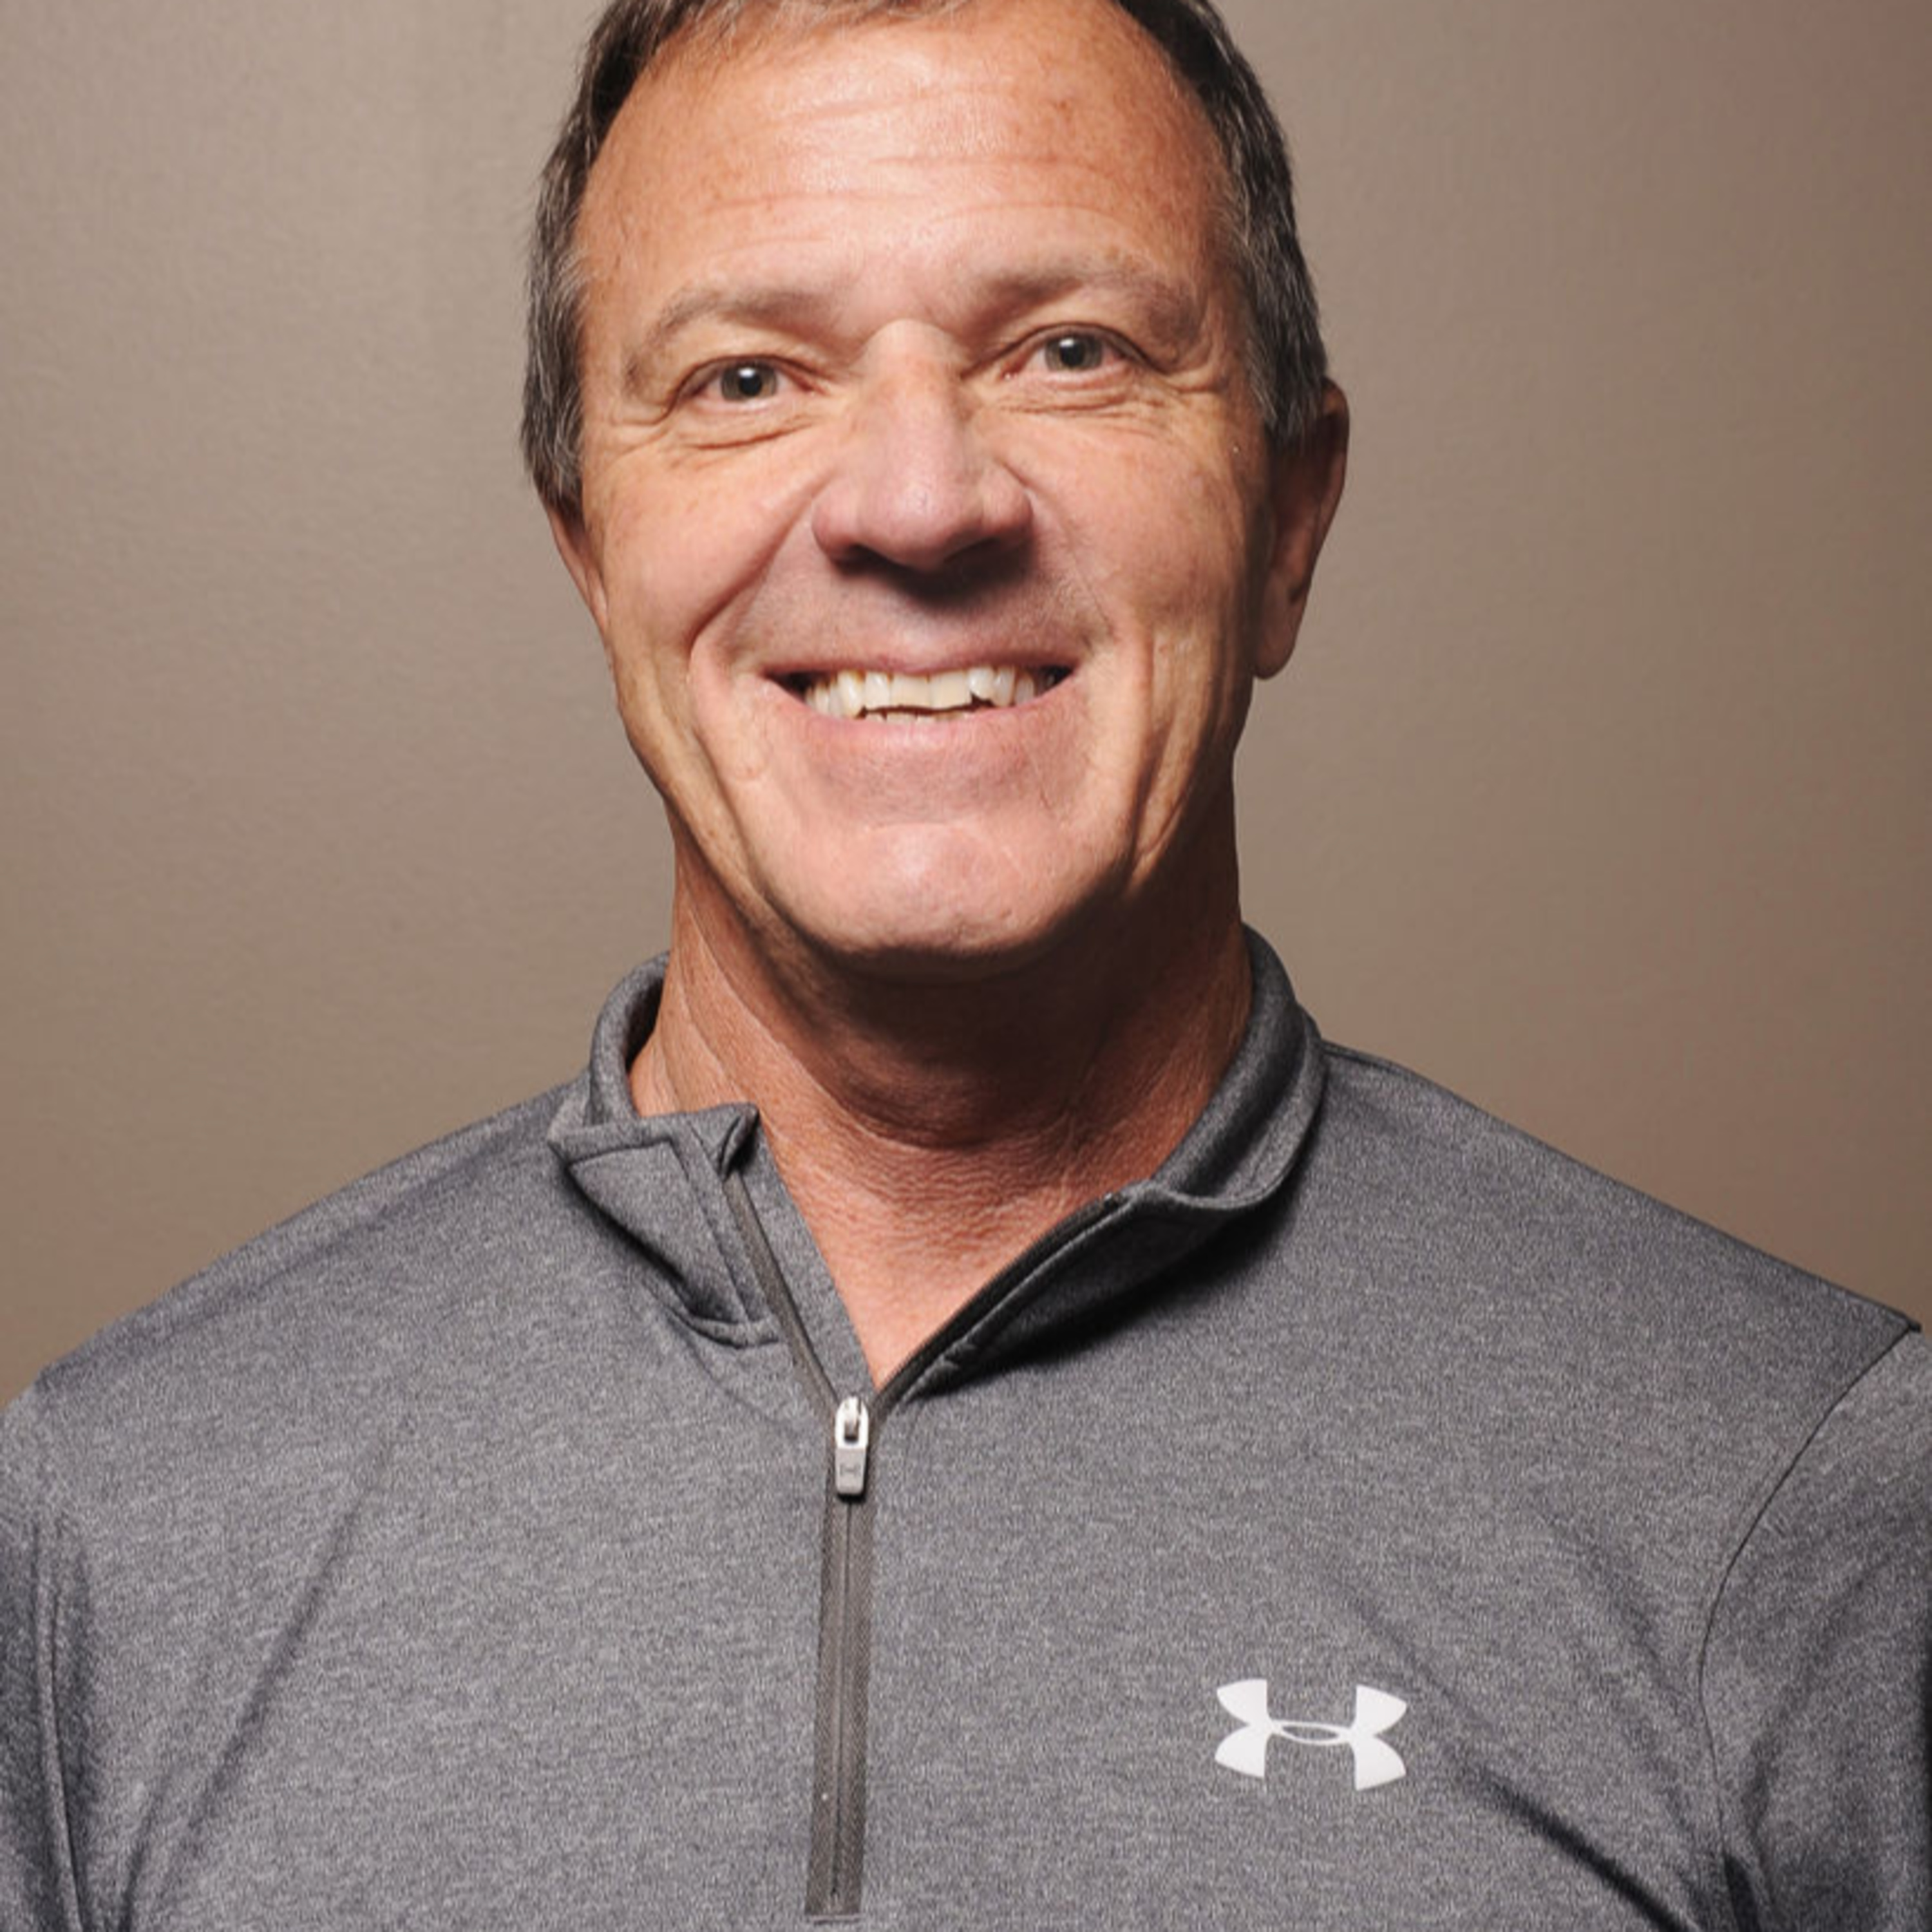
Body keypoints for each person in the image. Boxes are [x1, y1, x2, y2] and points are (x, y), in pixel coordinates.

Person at [2, 0, 1925, 1924]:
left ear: (1291, 515)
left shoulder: (1791, 1500)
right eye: (747, 378)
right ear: (592, 553)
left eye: (1073, 353)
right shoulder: (116, 1527)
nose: (920, 505)